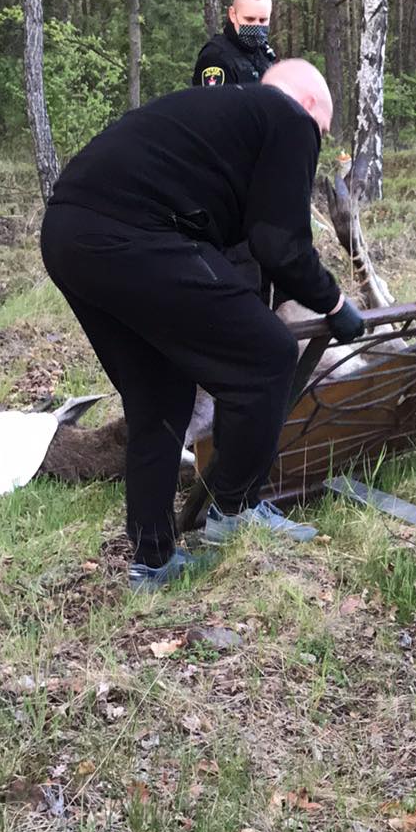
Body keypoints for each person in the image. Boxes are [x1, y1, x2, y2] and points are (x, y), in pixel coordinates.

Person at [39, 60, 365, 588]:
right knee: (270, 356)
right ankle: (232, 511)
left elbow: (242, 254)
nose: (317, 143)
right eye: (322, 133)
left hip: (68, 234)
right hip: (134, 233)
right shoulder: (287, 117)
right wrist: (333, 304)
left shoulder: (218, 124)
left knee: (159, 394)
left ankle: (153, 563)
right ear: (309, 106)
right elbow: (279, 243)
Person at [193, 0, 276, 88]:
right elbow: (212, 103)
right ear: (232, 14)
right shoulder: (214, 58)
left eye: (263, 20)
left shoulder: (264, 53)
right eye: (249, 19)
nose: (257, 26)